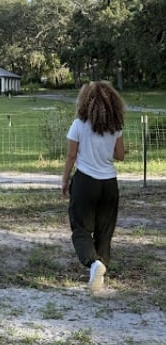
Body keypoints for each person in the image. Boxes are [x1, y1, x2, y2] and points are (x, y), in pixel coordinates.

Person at [61, 80, 125, 292]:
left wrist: (64, 180)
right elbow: (120, 156)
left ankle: (92, 263)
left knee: (80, 228)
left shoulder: (78, 124)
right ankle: (100, 271)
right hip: (109, 184)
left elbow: (71, 156)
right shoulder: (116, 127)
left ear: (86, 100)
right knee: (104, 230)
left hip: (85, 181)